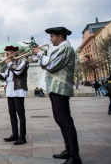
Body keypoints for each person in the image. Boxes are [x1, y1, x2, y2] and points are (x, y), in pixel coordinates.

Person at [34, 26, 82, 164]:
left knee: (66, 122)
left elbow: (50, 66)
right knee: (60, 120)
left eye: (52, 36)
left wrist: (39, 54)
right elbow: (48, 63)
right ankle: (69, 150)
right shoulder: (60, 49)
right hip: (55, 88)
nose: (50, 39)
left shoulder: (65, 48)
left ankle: (75, 156)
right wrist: (42, 55)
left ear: (60, 36)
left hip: (60, 88)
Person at [0, 45, 29, 145]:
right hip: (10, 91)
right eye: (7, 52)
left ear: (14, 52)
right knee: (12, 114)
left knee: (20, 115)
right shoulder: (10, 63)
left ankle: (22, 137)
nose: (7, 54)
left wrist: (9, 63)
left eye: (9, 52)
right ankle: (15, 134)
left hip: (18, 90)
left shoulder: (22, 60)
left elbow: (18, 71)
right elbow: (6, 76)